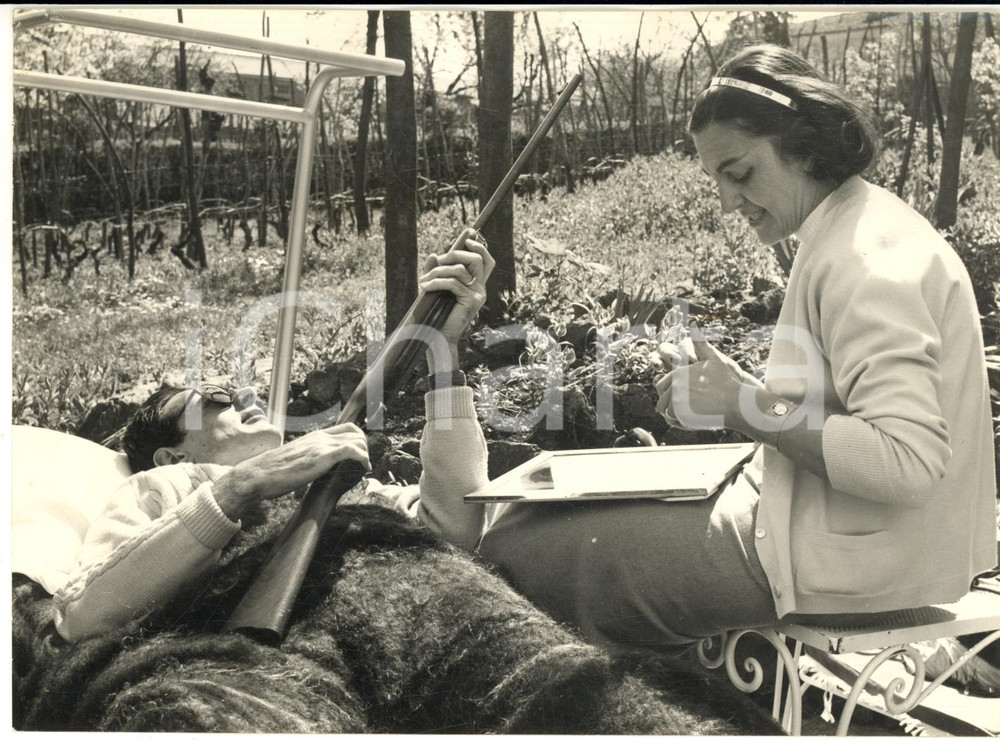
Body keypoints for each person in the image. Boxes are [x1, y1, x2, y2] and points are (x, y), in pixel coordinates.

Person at [404, 44, 997, 654]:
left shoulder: (866, 258)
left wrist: (744, 406)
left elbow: (908, 463)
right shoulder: (855, 226)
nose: (727, 201)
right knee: (526, 523)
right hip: (832, 533)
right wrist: (744, 393)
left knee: (510, 556)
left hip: (850, 558)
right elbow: (854, 412)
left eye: (738, 173)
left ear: (806, 144)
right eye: (717, 180)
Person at [52, 233, 495, 643]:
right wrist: (242, 485)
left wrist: (444, 348)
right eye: (214, 396)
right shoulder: (158, 490)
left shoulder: (334, 479)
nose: (245, 392)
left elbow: (455, 530)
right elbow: (83, 618)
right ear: (171, 456)